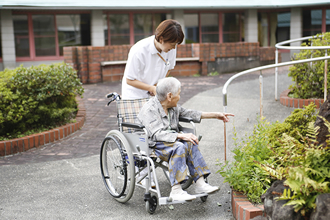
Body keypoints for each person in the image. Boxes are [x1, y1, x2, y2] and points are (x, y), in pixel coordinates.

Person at [137, 77, 235, 201]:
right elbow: (156, 134)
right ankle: (176, 190)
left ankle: (200, 184)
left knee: (190, 142)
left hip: (171, 142)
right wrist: (181, 135)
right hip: (152, 145)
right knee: (180, 146)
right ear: (169, 96)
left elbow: (190, 113)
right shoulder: (149, 109)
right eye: (179, 94)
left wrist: (216, 115)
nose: (180, 96)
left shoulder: (172, 107)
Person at [121, 19, 184, 100]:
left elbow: (169, 68)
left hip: (153, 94)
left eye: (176, 44)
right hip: (134, 96)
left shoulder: (170, 48)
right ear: (161, 39)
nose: (174, 47)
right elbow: (129, 80)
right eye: (172, 44)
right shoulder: (139, 50)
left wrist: (157, 84)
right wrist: (151, 88)